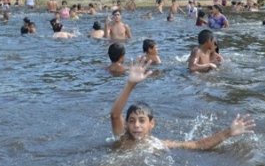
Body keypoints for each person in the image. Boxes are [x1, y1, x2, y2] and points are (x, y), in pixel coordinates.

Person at [109, 61, 255, 150]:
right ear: (127, 124)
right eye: (132, 121)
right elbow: (115, 115)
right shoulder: (123, 138)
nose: (136, 125)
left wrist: (228, 132)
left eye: (142, 120)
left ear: (152, 124)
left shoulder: (157, 145)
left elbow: (197, 145)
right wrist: (130, 84)